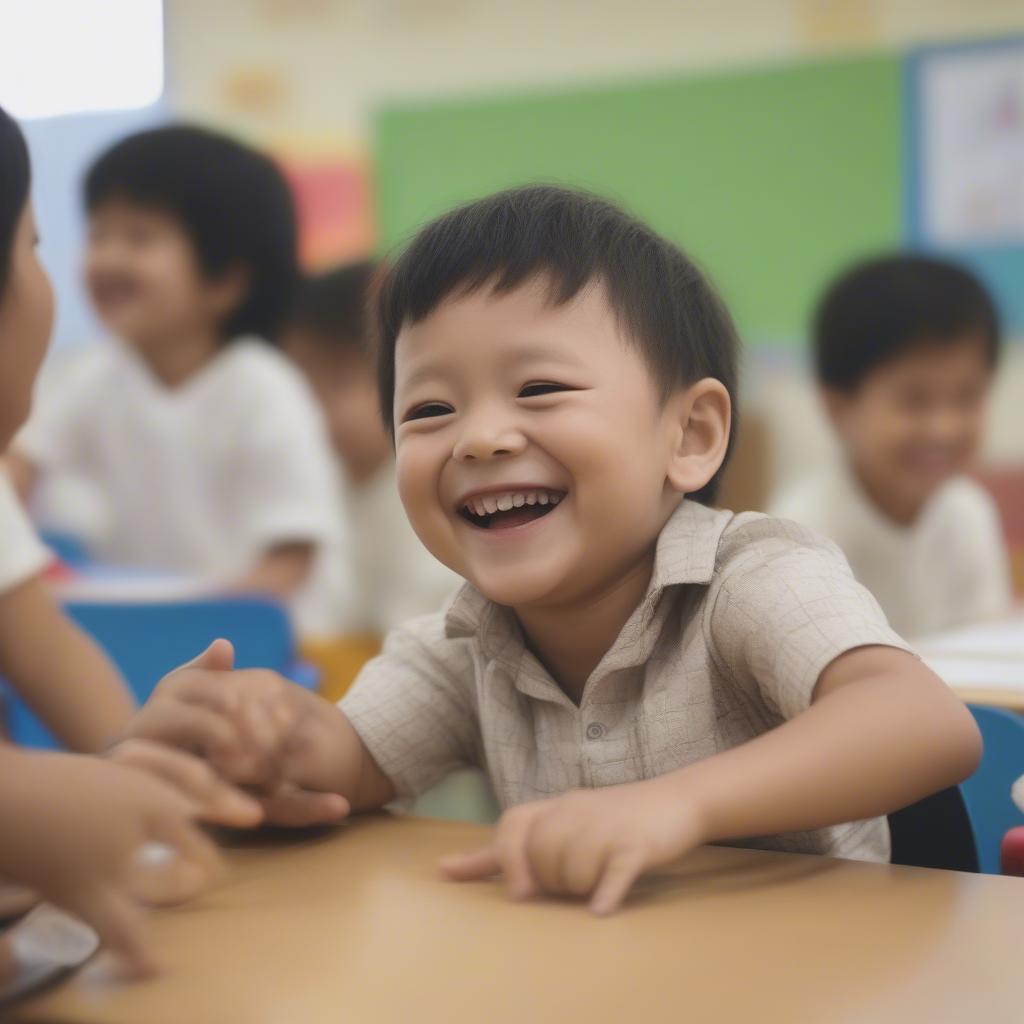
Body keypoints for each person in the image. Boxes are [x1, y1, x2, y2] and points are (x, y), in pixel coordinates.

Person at [125, 186, 981, 914]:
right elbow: (351, 763)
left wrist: (674, 807)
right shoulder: (462, 645)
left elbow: (925, 724)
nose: (481, 438)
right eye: (429, 411)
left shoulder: (748, 577)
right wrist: (261, 734)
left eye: (539, 389)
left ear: (690, 433)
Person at [0, 104, 267, 979]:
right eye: (38, 246)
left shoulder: (256, 387)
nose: (84, 267)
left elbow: (51, 650)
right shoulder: (92, 381)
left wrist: (132, 768)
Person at [6, 125, 343, 625]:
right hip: (145, 621)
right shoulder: (90, 376)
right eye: (98, 234)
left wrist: (192, 610)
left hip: (259, 629)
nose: (108, 257)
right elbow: (18, 468)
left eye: (138, 236)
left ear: (226, 280)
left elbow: (292, 561)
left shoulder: (263, 389)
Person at [770, 255, 1012, 639]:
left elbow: (985, 647)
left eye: (967, 397)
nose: (944, 428)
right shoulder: (802, 530)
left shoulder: (970, 513)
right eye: (914, 400)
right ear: (838, 407)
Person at [284, 263, 458, 636]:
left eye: (338, 380)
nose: (312, 409)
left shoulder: (425, 487)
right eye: (299, 385)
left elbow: (418, 625)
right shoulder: (320, 482)